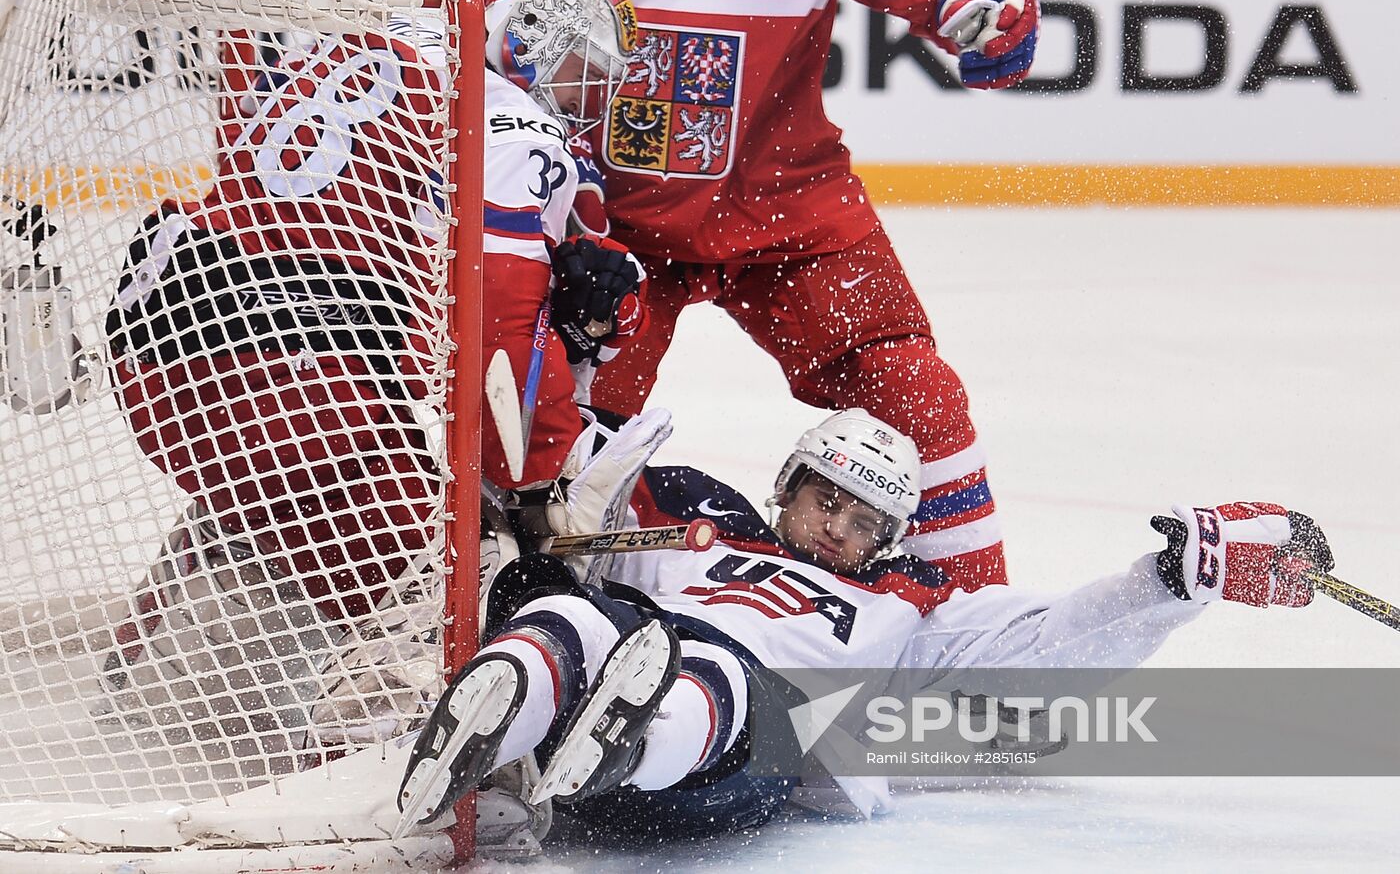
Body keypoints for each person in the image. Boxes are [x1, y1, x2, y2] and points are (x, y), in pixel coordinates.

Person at [97, 0, 648, 737]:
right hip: (301, 379)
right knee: (461, 561)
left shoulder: (364, 42)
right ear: (530, 38)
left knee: (292, 486)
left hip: (164, 351)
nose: (585, 97)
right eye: (582, 69)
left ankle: (161, 660)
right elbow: (498, 335)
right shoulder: (509, 117)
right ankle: (389, 757)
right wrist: (537, 478)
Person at [396, 407, 1336, 837]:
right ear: (788, 488)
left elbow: (1046, 647)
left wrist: (1166, 581)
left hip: (727, 767)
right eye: (823, 501)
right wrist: (554, 512)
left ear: (890, 539)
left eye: (864, 522)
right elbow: (562, 519)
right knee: (576, 615)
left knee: (722, 678)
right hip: (637, 682)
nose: (837, 529)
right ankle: (507, 709)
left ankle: (626, 745)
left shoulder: (904, 613)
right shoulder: (693, 534)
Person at [471, 0, 1043, 592]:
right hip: (614, 227)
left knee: (914, 390)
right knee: (551, 432)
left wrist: (990, 10)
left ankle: (971, 631)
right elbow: (481, 36)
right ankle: (531, 613)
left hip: (789, 206)